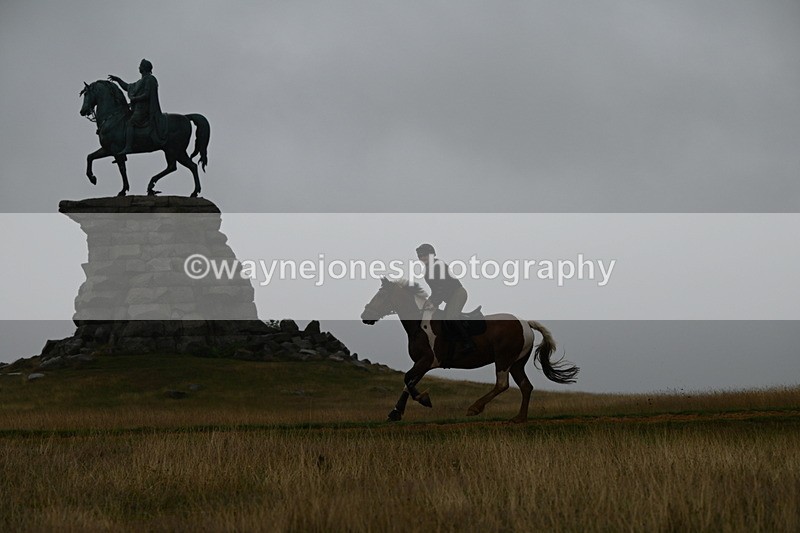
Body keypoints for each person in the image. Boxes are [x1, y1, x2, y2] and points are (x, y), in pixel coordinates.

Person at [415, 243, 475, 356]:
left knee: (451, 317)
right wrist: (429, 301)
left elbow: (441, 287)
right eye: (420, 256)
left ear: (432, 255)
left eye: (425, 255)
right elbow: (436, 290)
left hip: (458, 293)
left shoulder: (438, 265)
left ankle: (468, 343)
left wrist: (434, 302)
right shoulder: (428, 270)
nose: (423, 258)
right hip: (450, 297)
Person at [108, 58, 168, 155]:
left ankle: (128, 147)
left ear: (144, 68)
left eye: (140, 66)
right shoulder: (140, 81)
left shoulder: (150, 79)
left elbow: (147, 95)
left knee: (130, 123)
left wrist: (135, 99)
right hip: (137, 109)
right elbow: (127, 87)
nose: (139, 67)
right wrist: (118, 80)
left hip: (144, 109)